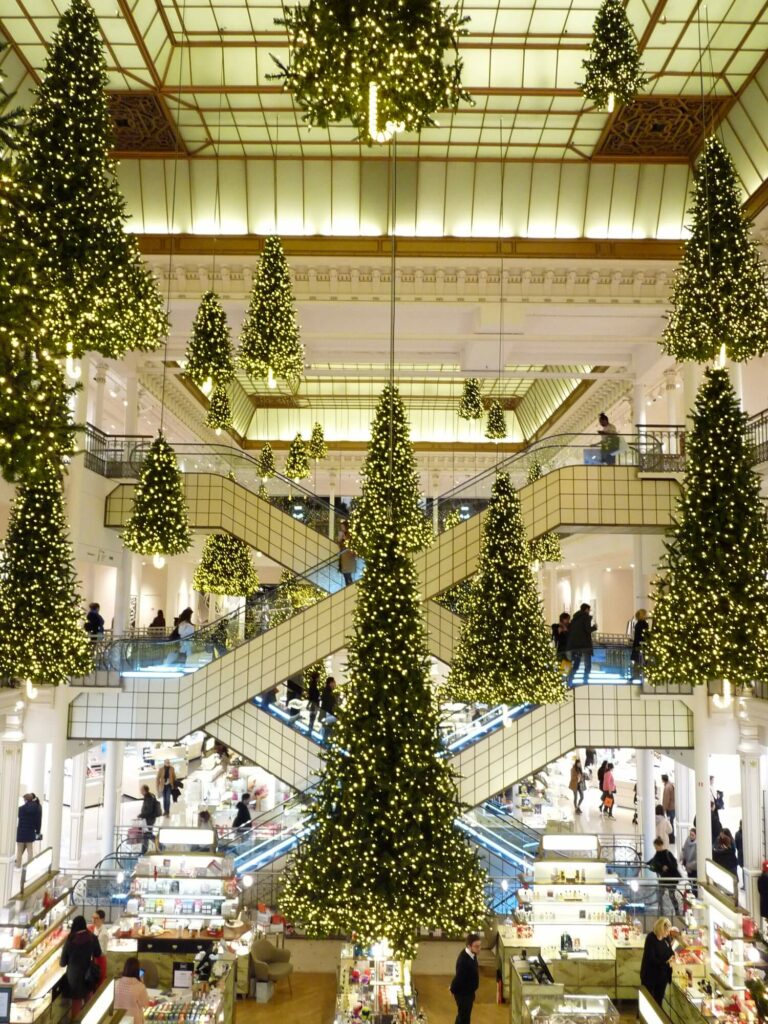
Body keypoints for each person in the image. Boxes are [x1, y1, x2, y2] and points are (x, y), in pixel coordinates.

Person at [60, 915, 102, 1016]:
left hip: (74, 977)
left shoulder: (70, 940)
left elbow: (62, 963)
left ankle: (76, 1021)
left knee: (76, 1003)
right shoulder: (92, 938)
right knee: (89, 1001)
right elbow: (98, 953)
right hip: (88, 974)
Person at [640, 917, 677, 1009]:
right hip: (650, 975)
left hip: (662, 975)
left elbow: (670, 951)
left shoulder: (666, 938)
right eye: (666, 931)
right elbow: (651, 959)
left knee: (659, 999)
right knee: (648, 1000)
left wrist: (673, 956)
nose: (668, 933)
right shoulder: (651, 938)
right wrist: (665, 962)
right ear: (660, 929)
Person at [449, 932, 481, 1024]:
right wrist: (452, 988)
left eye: (480, 946)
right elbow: (459, 977)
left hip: (469, 992)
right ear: (469, 946)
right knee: (464, 1018)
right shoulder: (464, 961)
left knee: (462, 1015)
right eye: (476, 946)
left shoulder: (472, 954)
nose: (479, 948)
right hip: (463, 994)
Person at [647, 837, 681, 916]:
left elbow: (674, 864)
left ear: (660, 845)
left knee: (671, 895)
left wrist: (667, 867)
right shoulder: (658, 854)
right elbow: (653, 861)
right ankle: (661, 910)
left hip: (671, 878)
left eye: (656, 846)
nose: (655, 848)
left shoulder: (667, 853)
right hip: (664, 878)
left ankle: (676, 911)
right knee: (661, 894)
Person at [566, 603, 597, 686]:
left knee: (575, 664)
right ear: (586, 609)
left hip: (573, 646)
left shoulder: (575, 618)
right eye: (589, 610)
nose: (589, 611)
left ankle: (569, 681)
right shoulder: (586, 617)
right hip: (585, 645)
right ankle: (585, 681)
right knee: (587, 665)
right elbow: (587, 630)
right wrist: (594, 627)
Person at [114, 957, 150, 1024]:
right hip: (134, 1020)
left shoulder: (116, 983)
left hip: (117, 1019)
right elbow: (145, 1004)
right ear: (137, 970)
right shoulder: (140, 986)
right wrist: (142, 983)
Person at [16, 793, 42, 867]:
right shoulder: (37, 808)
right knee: (30, 851)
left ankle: (18, 865)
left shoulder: (21, 809)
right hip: (30, 832)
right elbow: (38, 821)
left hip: (21, 832)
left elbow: (19, 816)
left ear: (26, 800)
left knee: (19, 851)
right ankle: (30, 865)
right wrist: (38, 831)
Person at [137, 784, 159, 854]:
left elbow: (149, 810)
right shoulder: (148, 797)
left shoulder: (149, 798)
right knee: (146, 834)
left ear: (144, 790)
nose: (140, 791)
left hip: (149, 819)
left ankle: (160, 845)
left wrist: (141, 815)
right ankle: (144, 850)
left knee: (147, 834)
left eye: (141, 790)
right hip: (148, 819)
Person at [632, 609, 649, 678]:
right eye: (646, 614)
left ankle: (635, 676)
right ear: (643, 615)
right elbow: (646, 636)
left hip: (636, 646)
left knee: (637, 662)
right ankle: (644, 677)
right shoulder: (644, 624)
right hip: (642, 646)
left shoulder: (637, 624)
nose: (647, 615)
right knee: (643, 662)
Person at [305, 666, 322, 735]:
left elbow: (310, 695)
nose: (319, 678)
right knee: (312, 717)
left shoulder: (312, 684)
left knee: (311, 717)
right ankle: (310, 731)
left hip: (313, 703)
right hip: (314, 704)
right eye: (319, 677)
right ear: (316, 678)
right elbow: (312, 696)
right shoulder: (314, 685)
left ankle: (310, 730)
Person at [661, 774, 676, 842]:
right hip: (673, 807)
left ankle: (671, 838)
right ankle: (672, 838)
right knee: (671, 822)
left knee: (670, 823)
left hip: (670, 808)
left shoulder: (667, 787)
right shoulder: (671, 785)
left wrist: (664, 809)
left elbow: (666, 799)